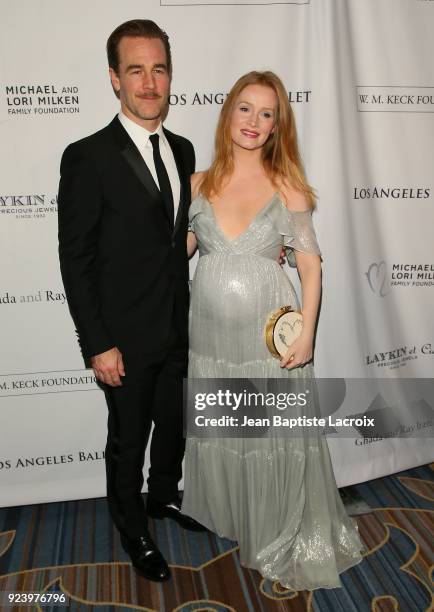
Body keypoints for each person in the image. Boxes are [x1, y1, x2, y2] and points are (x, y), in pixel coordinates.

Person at [181, 71, 363, 590]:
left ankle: (275, 527)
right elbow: (184, 253)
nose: (253, 122)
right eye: (245, 108)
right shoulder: (197, 184)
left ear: (278, 124)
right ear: (228, 113)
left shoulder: (290, 188)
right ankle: (239, 517)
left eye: (267, 113)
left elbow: (310, 267)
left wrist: (306, 334)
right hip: (210, 334)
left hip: (268, 335)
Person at [58, 19, 204, 584]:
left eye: (159, 69)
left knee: (174, 425)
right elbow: (77, 260)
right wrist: (97, 343)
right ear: (114, 80)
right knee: (127, 441)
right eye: (136, 70)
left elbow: (184, 237)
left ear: (170, 76)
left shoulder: (186, 150)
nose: (149, 82)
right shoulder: (88, 156)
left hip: (179, 326)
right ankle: (131, 526)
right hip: (122, 335)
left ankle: (163, 498)